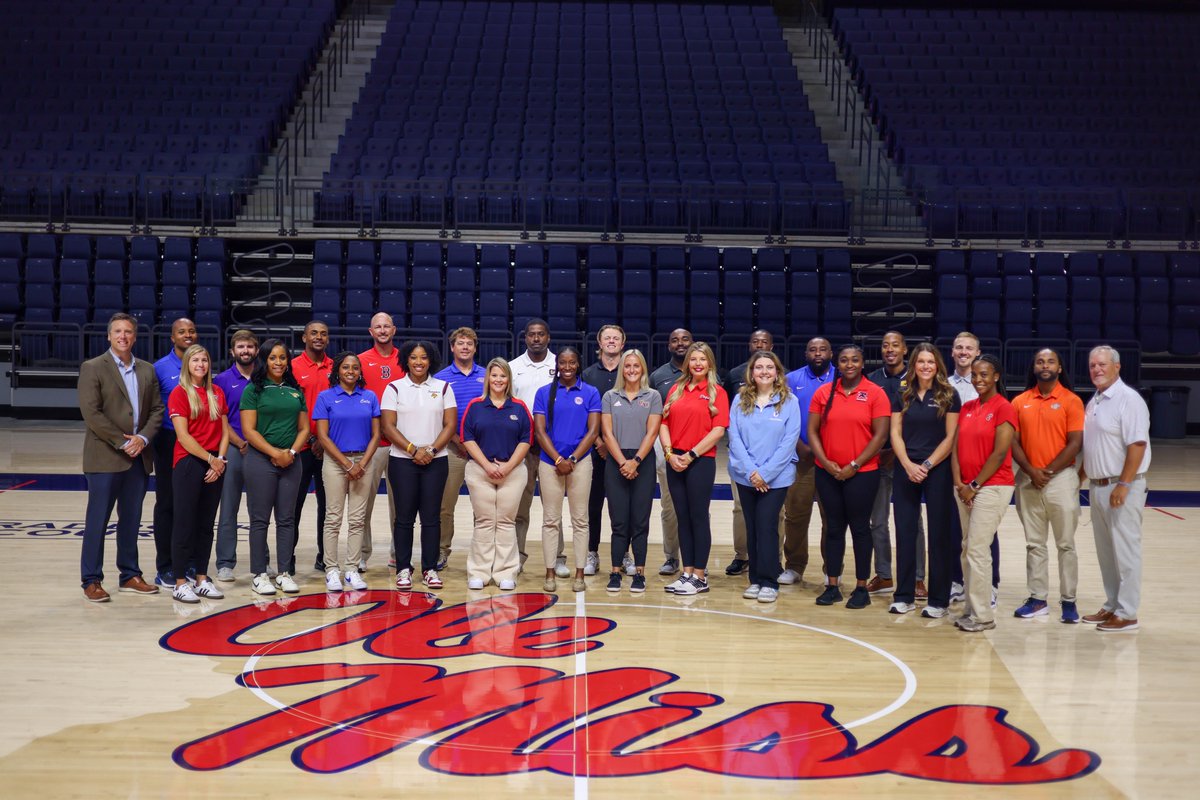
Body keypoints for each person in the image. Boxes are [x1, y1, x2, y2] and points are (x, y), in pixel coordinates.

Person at [77, 312, 164, 602]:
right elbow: (91, 413)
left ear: (135, 336)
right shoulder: (92, 367)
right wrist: (123, 442)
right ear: (109, 336)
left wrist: (142, 439)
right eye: (117, 331)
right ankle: (91, 579)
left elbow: (157, 410)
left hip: (139, 456)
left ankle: (129, 575)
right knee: (98, 520)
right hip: (105, 456)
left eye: (128, 331)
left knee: (131, 519)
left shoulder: (147, 369)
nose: (123, 336)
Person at [808, 344, 890, 610]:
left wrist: (854, 465)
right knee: (833, 528)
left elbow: (880, 436)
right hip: (827, 472)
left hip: (862, 473)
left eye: (855, 360)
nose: (849, 364)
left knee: (860, 528)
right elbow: (812, 431)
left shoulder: (875, 393)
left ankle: (861, 587)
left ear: (862, 363)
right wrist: (826, 462)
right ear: (838, 363)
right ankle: (832, 586)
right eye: (844, 360)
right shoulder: (823, 392)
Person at [1010, 348, 1084, 623]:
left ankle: (1069, 601)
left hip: (1061, 479)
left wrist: (1047, 472)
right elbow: (1013, 441)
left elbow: (1075, 443)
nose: (1045, 365)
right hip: (1028, 479)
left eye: (1051, 361)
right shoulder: (1020, 401)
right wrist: (1031, 471)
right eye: (1040, 361)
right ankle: (1038, 598)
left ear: (1059, 368)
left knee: (1065, 544)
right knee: (1034, 544)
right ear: (1034, 367)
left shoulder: (1071, 400)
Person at [1080, 345, 1150, 633]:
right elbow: (1094, 446)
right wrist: (1080, 477)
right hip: (1098, 487)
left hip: (1121, 487)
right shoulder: (1095, 400)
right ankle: (1112, 604)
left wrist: (1124, 483)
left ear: (1117, 367)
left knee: (1125, 552)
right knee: (1107, 553)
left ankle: (1128, 613)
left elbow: (1137, 444)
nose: (1097, 369)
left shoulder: (1128, 399)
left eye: (1102, 364)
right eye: (1092, 365)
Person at [889, 343, 961, 617]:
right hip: (906, 468)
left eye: (931, 362)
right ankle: (904, 596)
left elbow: (951, 437)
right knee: (905, 531)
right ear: (914, 365)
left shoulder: (949, 394)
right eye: (921, 362)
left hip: (937, 469)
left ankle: (938, 601)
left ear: (938, 365)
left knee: (939, 534)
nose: (926, 366)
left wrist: (927, 464)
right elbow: (895, 433)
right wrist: (908, 464)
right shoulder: (902, 393)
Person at [381, 340, 457, 591]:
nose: (418, 362)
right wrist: (413, 450)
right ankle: (403, 568)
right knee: (403, 518)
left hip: (436, 460)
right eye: (413, 357)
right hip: (402, 461)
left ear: (430, 360)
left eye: (423, 357)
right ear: (406, 360)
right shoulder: (394, 388)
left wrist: (431, 450)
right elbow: (388, 426)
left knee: (432, 518)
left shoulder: (443, 387)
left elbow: (450, 425)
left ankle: (430, 569)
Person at [728, 351, 802, 604]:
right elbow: (734, 438)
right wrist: (752, 472)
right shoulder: (739, 400)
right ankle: (755, 580)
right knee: (752, 528)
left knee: (767, 526)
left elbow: (789, 441)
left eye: (769, 367)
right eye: (758, 367)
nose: (764, 372)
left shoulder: (789, 401)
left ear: (777, 372)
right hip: (746, 476)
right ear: (751, 372)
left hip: (776, 478)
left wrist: (765, 474)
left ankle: (770, 581)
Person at [951, 354, 1017, 633]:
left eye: (984, 375)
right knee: (967, 548)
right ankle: (971, 608)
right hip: (965, 488)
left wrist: (974, 485)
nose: (978, 379)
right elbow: (956, 448)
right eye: (975, 375)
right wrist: (959, 483)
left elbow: (1000, 453)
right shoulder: (967, 407)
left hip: (992, 486)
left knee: (978, 549)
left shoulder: (1004, 408)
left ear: (996, 377)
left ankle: (983, 616)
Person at [659, 342, 730, 596]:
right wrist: (669, 454)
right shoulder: (676, 390)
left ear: (710, 363)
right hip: (674, 460)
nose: (698, 364)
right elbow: (663, 424)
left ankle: (700, 576)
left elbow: (718, 430)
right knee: (682, 517)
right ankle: (686, 573)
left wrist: (690, 455)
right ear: (687, 363)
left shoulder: (717, 392)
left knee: (698, 516)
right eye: (693, 359)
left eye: (702, 359)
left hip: (699, 460)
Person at [240, 339, 309, 596]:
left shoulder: (295, 390)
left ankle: (284, 573)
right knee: (260, 520)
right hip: (261, 460)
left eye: (282, 357)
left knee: (286, 519)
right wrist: (275, 453)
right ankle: (259, 574)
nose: (278, 362)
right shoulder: (253, 390)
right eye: (273, 358)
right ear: (264, 360)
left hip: (291, 461)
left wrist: (291, 453)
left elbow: (304, 429)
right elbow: (249, 430)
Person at [460, 357, 533, 590]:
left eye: (503, 376)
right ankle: (479, 572)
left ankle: (506, 573)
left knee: (505, 522)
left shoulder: (519, 407)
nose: (498, 380)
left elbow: (526, 439)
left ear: (508, 379)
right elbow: (467, 438)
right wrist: (487, 466)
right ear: (488, 378)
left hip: (512, 472)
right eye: (494, 375)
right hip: (480, 470)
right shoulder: (475, 406)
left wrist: (507, 466)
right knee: (484, 521)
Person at [533, 347, 602, 592]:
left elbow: (593, 432)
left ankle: (580, 573)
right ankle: (550, 572)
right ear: (557, 365)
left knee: (580, 520)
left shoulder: (591, 392)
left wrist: (571, 458)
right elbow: (540, 431)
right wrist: (558, 459)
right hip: (550, 462)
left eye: (572, 362)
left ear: (578, 364)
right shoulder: (544, 392)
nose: (567, 367)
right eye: (563, 362)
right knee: (550, 520)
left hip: (580, 463)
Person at [866, 331, 927, 599]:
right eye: (885, 345)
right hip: (878, 460)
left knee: (913, 521)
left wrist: (897, 451)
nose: (889, 349)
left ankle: (917, 578)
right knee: (877, 521)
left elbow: (920, 420)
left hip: (907, 460)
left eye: (895, 345)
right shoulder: (872, 379)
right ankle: (884, 575)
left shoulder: (916, 378)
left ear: (905, 350)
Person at [167, 344, 230, 604]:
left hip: (215, 462)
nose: (200, 365)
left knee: (206, 524)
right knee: (184, 523)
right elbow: (183, 437)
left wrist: (220, 460)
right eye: (195, 360)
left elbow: (225, 432)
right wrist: (211, 460)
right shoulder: (179, 393)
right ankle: (180, 582)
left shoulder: (217, 392)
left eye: (204, 360)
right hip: (189, 462)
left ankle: (202, 579)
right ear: (187, 365)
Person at [313, 352, 381, 593]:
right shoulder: (326, 397)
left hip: (363, 461)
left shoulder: (369, 397)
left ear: (360, 372)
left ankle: (352, 569)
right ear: (337, 371)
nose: (350, 371)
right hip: (335, 462)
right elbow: (323, 436)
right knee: (333, 518)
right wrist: (347, 464)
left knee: (357, 519)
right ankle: (332, 569)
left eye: (355, 367)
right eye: (345, 367)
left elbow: (376, 435)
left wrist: (361, 464)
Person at [600, 349, 663, 594]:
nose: (632, 370)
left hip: (642, 461)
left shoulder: (653, 396)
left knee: (639, 521)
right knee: (619, 521)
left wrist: (635, 461)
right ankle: (615, 571)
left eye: (636, 366)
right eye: (627, 366)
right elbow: (607, 434)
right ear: (621, 369)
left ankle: (639, 573)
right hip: (616, 462)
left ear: (643, 368)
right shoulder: (610, 396)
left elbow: (652, 432)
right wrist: (623, 462)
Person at [946, 331, 998, 606]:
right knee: (955, 528)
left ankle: (991, 584)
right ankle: (957, 580)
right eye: (959, 347)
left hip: (981, 470)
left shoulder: (987, 386)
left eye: (969, 348)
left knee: (985, 530)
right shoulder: (943, 384)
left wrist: (978, 479)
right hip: (951, 467)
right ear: (952, 352)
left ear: (977, 352)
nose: (963, 352)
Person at [510, 319, 564, 576]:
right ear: (525, 338)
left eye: (541, 334)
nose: (536, 338)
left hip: (552, 448)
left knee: (553, 508)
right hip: (523, 447)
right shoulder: (513, 367)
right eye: (531, 334)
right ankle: (516, 557)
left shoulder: (560, 365)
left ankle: (558, 557)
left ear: (548, 337)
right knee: (520, 508)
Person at [781, 336, 835, 586]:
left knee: (831, 517)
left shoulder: (840, 378)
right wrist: (799, 446)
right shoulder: (792, 379)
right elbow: (783, 417)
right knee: (795, 516)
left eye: (823, 349)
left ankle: (831, 569)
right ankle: (794, 566)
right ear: (806, 354)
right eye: (813, 350)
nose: (818, 353)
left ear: (831, 354)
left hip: (832, 460)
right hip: (801, 458)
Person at [722, 329, 776, 577]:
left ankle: (774, 558)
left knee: (778, 513)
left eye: (764, 342)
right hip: (742, 457)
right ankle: (742, 555)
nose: (760, 345)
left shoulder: (781, 377)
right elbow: (730, 420)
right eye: (755, 341)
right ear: (749, 345)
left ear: (772, 346)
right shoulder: (735, 375)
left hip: (772, 460)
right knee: (740, 508)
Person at [434, 327, 486, 571]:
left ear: (475, 348)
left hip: (482, 452)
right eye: (460, 343)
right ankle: (441, 550)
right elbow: (438, 415)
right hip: (452, 450)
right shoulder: (441, 378)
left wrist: (475, 444)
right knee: (445, 505)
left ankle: (482, 554)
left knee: (482, 507)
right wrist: (457, 439)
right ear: (452, 347)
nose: (465, 347)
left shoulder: (486, 375)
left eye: (469, 343)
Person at [152, 316, 197, 586]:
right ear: (173, 337)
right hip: (168, 440)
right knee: (167, 503)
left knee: (191, 504)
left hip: (197, 441)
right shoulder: (159, 368)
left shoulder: (200, 364)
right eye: (182, 332)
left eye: (191, 331)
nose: (187, 335)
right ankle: (165, 566)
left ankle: (188, 561)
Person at [358, 312, 404, 570]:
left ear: (394, 330)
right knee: (363, 503)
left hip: (400, 443)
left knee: (400, 505)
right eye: (378, 327)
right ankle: (361, 554)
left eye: (387, 326)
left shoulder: (405, 359)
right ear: (371, 331)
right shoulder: (361, 361)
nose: (383, 330)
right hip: (371, 444)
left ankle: (398, 553)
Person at [581, 324, 627, 577]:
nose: (611, 341)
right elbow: (584, 414)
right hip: (596, 450)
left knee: (622, 505)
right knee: (594, 504)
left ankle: (624, 554)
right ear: (599, 343)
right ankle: (592, 552)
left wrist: (615, 447)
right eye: (606, 338)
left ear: (622, 343)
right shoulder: (588, 374)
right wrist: (600, 442)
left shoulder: (631, 371)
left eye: (615, 338)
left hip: (625, 451)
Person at [213, 329, 258, 582]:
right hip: (232, 448)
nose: (245, 351)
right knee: (228, 508)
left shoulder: (263, 378)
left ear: (256, 350)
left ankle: (260, 562)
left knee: (258, 510)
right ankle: (225, 563)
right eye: (240, 347)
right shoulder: (221, 380)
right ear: (233, 351)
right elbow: (220, 419)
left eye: (249, 347)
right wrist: (240, 442)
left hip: (259, 450)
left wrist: (257, 443)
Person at [648, 327, 692, 575]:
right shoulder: (658, 376)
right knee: (669, 505)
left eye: (685, 339)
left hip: (696, 448)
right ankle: (671, 557)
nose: (680, 343)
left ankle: (696, 560)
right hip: (665, 445)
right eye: (675, 340)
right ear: (669, 346)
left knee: (697, 507)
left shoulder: (706, 373)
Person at [290, 320, 333, 574]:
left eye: (323, 334)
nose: (319, 337)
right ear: (304, 338)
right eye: (314, 333)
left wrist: (324, 441)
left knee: (328, 508)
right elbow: (290, 409)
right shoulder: (292, 367)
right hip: (301, 448)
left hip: (329, 448)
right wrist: (309, 439)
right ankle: (288, 556)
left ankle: (324, 556)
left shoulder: (336, 367)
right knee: (293, 505)